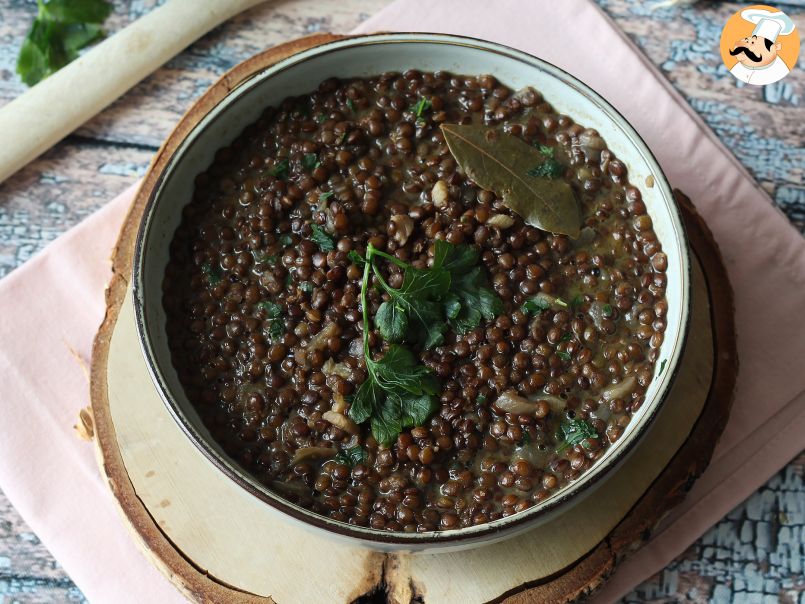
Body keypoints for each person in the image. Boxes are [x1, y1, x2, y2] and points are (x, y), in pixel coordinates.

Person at [729, 8, 796, 86]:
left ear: (776, 47)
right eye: (747, 41)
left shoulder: (779, 70)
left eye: (753, 43)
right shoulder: (739, 66)